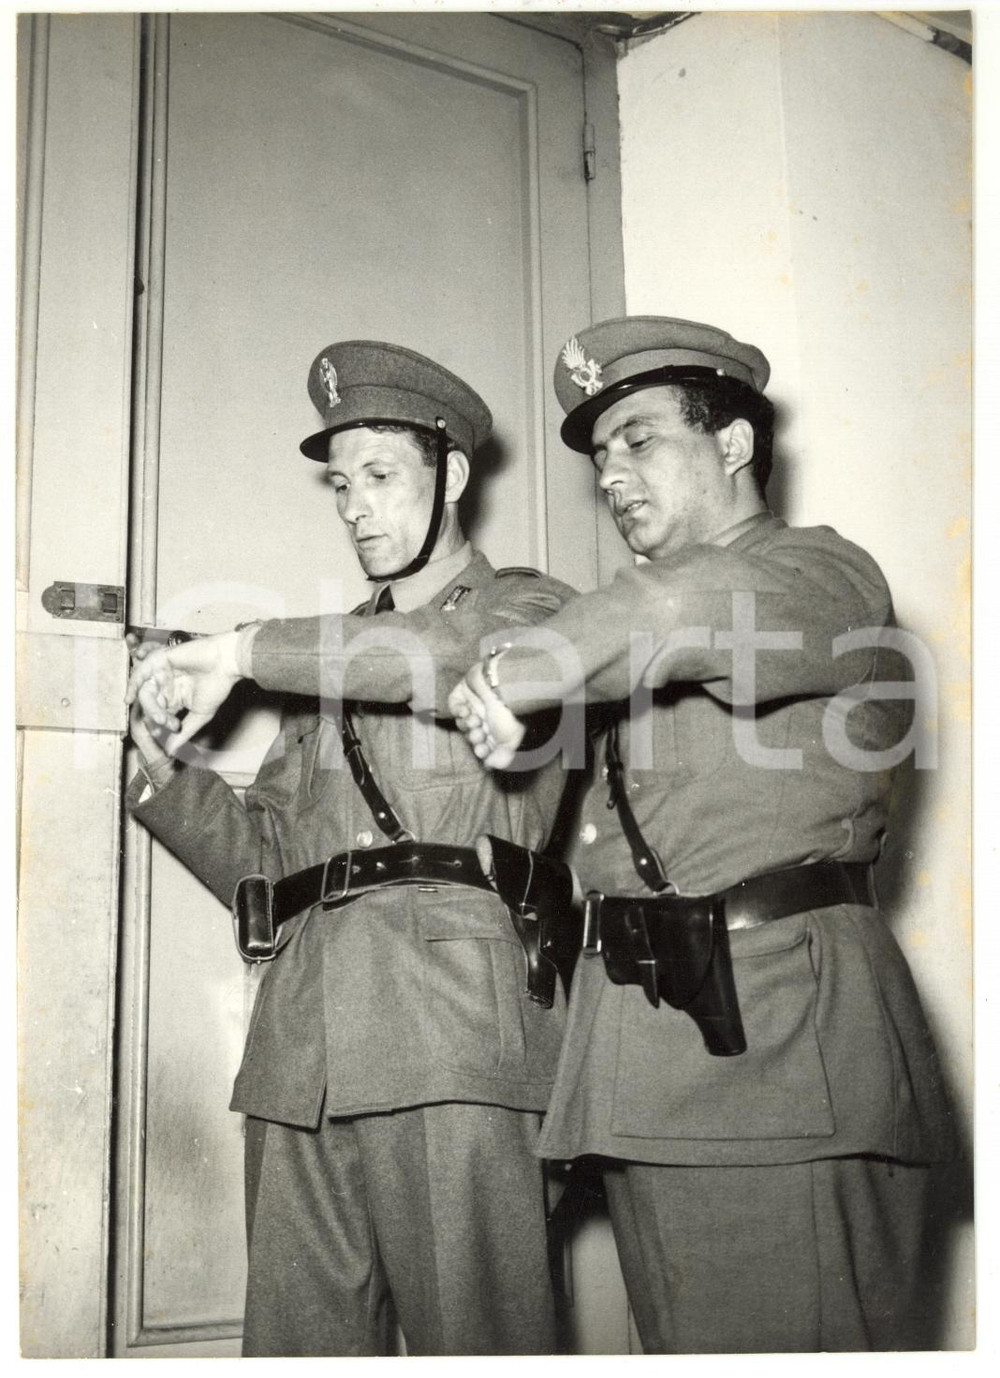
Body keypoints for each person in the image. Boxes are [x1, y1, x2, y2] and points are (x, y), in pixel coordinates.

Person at [448, 316, 958, 1353]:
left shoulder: (817, 576)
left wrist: (521, 675)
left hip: (779, 1061)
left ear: (731, 444)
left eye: (638, 438)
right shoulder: (622, 631)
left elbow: (681, 608)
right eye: (600, 459)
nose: (613, 474)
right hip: (648, 1063)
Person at [125, 340, 576, 1356]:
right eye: (341, 484)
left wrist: (241, 651)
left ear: (451, 474)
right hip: (302, 1056)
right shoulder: (324, 658)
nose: (355, 507)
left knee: (482, 1344)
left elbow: (447, 660)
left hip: (452, 1044)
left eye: (380, 476)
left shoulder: (536, 612)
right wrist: (166, 774)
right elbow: (270, 867)